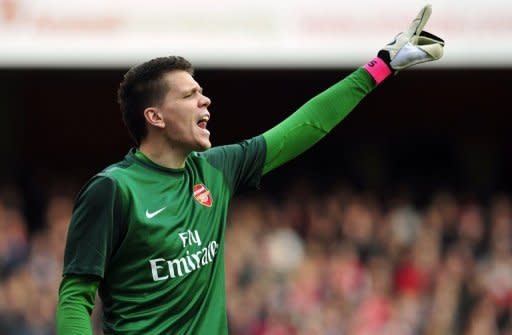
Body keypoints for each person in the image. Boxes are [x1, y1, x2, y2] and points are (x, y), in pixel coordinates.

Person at [56, 5, 444, 334]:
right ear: (155, 116)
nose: (205, 100)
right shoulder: (113, 189)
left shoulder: (216, 168)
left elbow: (303, 127)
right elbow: (75, 297)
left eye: (201, 91)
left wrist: (380, 67)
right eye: (190, 95)